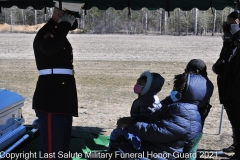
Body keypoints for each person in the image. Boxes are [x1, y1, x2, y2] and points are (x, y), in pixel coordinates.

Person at [115, 73, 205, 160]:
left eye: (176, 88)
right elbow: (153, 118)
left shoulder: (184, 112)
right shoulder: (177, 106)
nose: (173, 91)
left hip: (161, 154)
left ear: (187, 92)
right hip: (158, 148)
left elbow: (158, 132)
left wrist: (131, 125)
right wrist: (134, 120)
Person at [32, 2, 81, 159]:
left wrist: (64, 26)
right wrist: (64, 25)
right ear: (60, 13)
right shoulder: (46, 33)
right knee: (51, 150)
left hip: (63, 97)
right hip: (51, 97)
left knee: (62, 147)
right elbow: (50, 49)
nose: (72, 21)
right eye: (69, 17)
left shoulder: (59, 34)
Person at [109, 71, 165, 152]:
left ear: (149, 86)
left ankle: (111, 152)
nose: (137, 85)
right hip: (140, 127)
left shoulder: (149, 100)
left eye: (140, 83)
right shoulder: (144, 98)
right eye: (137, 82)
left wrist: (129, 121)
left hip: (143, 130)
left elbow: (147, 118)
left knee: (116, 133)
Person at [212, 11, 239, 154]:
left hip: (234, 90)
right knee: (234, 119)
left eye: (230, 23)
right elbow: (222, 60)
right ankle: (236, 144)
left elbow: (229, 64)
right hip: (227, 88)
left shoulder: (237, 43)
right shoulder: (230, 42)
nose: (228, 27)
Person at [162, 59, 214, 127]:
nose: (185, 72)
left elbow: (173, 98)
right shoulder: (209, 85)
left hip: (176, 125)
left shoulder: (185, 80)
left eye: (187, 70)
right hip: (197, 129)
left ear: (196, 71)